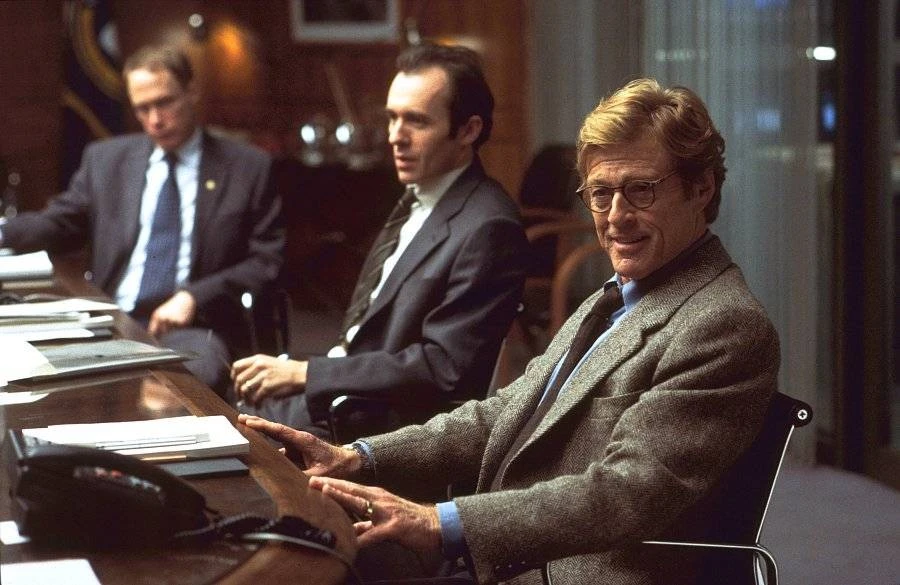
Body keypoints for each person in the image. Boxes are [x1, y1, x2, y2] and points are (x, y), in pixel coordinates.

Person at [238, 77, 781, 585]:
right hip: (503, 551)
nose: (616, 216)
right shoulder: (619, 294)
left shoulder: (723, 325)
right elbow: (503, 414)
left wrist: (440, 522)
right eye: (600, 193)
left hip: (557, 572)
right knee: (290, 546)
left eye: (641, 190)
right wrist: (360, 457)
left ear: (701, 188)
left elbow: (623, 494)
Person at [232, 43, 528, 438]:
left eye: (416, 122)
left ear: (468, 131)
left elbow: (444, 367)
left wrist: (308, 373)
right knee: (215, 403)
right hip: (345, 391)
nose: (395, 137)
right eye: (392, 118)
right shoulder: (421, 195)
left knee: (229, 437)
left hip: (380, 428)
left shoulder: (489, 227)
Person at [0, 45, 284, 398]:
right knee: (25, 374)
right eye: (142, 108)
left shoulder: (247, 167)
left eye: (164, 103)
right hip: (108, 318)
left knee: (182, 392)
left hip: (192, 328)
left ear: (192, 91)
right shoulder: (106, 160)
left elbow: (267, 261)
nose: (155, 120)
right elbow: (59, 222)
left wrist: (195, 297)